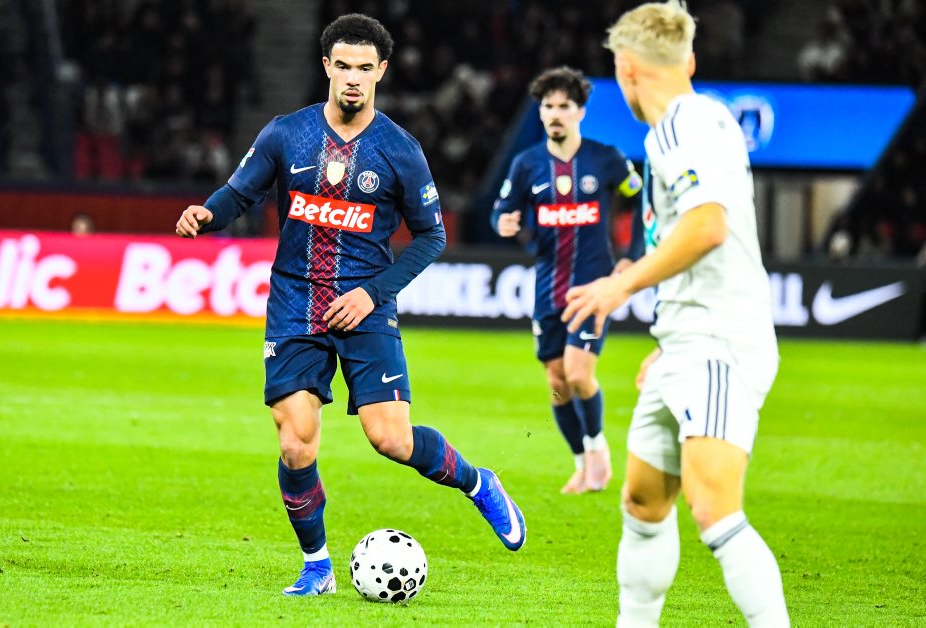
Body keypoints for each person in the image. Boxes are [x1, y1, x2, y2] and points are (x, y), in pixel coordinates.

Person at [174, 13, 526, 597]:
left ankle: (477, 483)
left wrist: (370, 293)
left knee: (391, 439)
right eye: (343, 66)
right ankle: (318, 567)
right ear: (327, 67)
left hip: (366, 305)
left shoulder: (400, 150)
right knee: (295, 439)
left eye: (365, 67)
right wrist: (208, 213)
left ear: (382, 71)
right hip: (296, 302)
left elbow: (432, 236)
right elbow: (239, 193)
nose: (353, 78)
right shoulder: (286, 134)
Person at [562, 2, 788, 625]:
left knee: (715, 509)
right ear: (687, 61)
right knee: (642, 502)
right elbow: (697, 234)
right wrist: (669, 337)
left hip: (718, 343)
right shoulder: (700, 120)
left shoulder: (680, 128)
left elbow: (707, 226)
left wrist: (622, 285)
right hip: (688, 339)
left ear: (627, 69)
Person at [492, 66, 642, 495]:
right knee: (557, 382)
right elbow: (502, 209)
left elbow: (640, 197)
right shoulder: (527, 164)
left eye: (564, 106)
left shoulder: (606, 159)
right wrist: (503, 222)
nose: (555, 114)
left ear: (580, 112)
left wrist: (631, 257)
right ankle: (580, 463)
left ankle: (597, 452)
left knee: (578, 373)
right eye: (548, 106)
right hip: (547, 289)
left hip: (593, 287)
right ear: (541, 113)